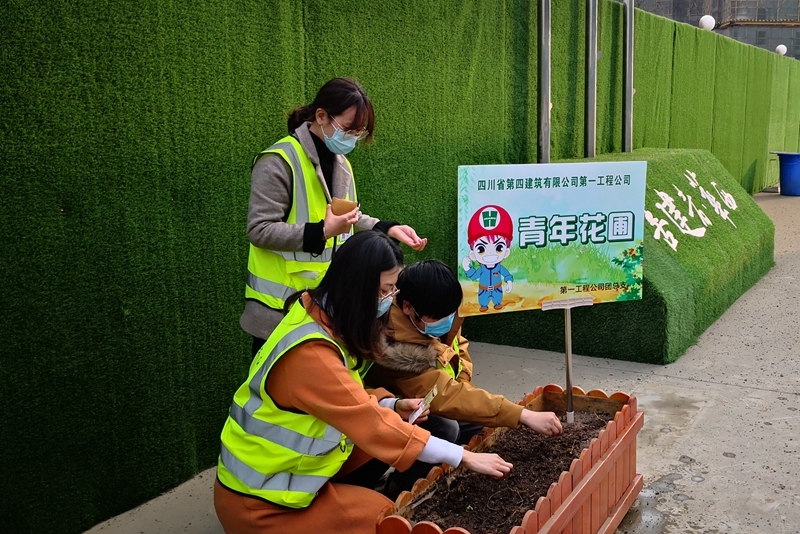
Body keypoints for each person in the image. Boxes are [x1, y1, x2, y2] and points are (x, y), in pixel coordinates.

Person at [215, 232, 512, 534]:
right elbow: (370, 423)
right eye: (385, 291)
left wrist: (391, 404)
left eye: (393, 291)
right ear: (357, 287)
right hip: (262, 504)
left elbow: (348, 397)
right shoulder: (312, 353)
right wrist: (464, 456)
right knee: (382, 518)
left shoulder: (316, 315)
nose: (389, 300)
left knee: (384, 506)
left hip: (291, 480)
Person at [241, 77, 427, 357]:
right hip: (278, 312)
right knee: (275, 395)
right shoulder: (278, 161)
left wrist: (386, 228)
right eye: (348, 129)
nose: (352, 138)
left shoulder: (343, 165)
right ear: (321, 116)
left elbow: (349, 217)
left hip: (325, 309)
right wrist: (321, 232)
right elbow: (259, 229)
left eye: (359, 133)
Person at [364, 259, 563, 455]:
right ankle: (399, 485)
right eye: (439, 317)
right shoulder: (396, 351)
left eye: (450, 314)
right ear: (407, 308)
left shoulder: (436, 313)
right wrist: (523, 414)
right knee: (447, 427)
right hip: (400, 413)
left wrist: (463, 384)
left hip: (442, 395)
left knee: (479, 425)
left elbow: (459, 351)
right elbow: (445, 394)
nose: (447, 321)